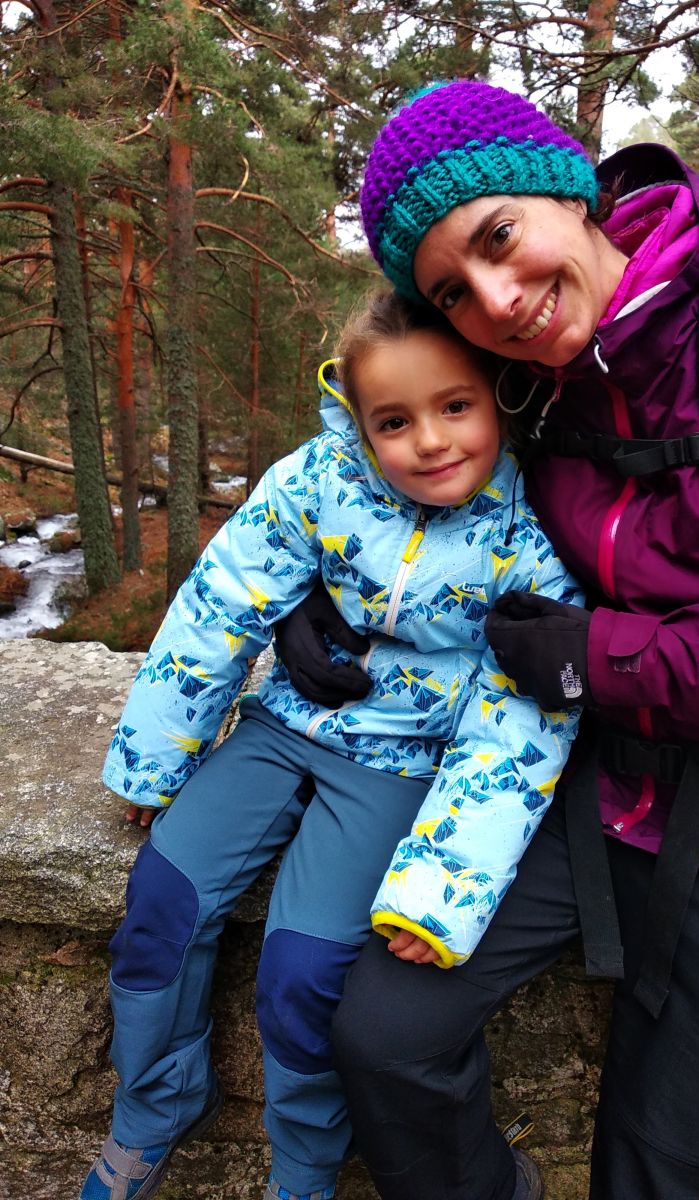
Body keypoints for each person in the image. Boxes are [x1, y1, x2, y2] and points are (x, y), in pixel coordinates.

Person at [274, 80, 699, 1200]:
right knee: (384, 1041)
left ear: (567, 187)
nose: (498, 300)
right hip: (583, 794)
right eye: (451, 292)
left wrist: (600, 659)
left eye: (498, 237)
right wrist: (325, 598)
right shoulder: (531, 388)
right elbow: (420, 504)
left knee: (659, 1171)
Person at [79, 288, 582, 1200]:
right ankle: (155, 1104)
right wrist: (155, 757)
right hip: (286, 726)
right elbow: (222, 599)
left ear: (498, 397)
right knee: (160, 903)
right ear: (357, 421)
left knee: (305, 975)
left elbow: (517, 725)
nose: (429, 441)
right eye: (394, 421)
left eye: (455, 407)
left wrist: (440, 895)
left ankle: (305, 1168)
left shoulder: (530, 535)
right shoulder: (322, 478)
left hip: (403, 761)